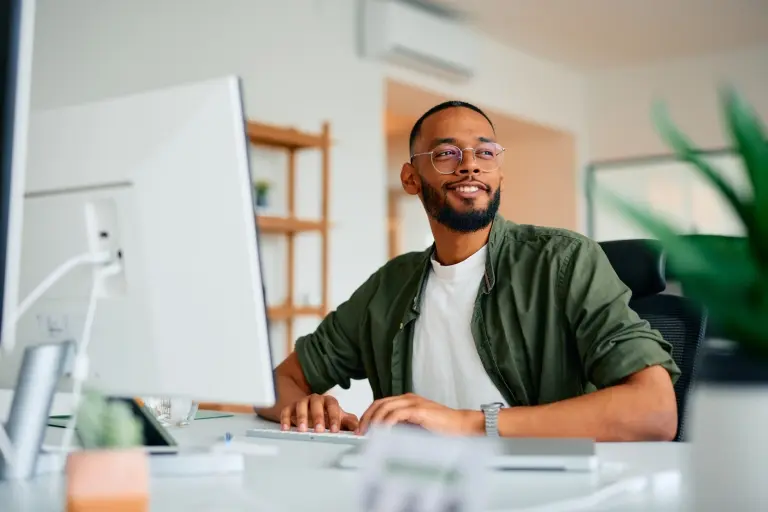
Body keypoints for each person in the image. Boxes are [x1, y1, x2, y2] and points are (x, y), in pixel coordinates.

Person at [256, 101, 680, 442]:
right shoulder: (389, 286)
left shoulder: (564, 261)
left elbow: (655, 410)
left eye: (486, 152)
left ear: (499, 173)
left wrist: (468, 423)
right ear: (411, 179)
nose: (470, 165)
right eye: (447, 153)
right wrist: (304, 407)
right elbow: (276, 383)